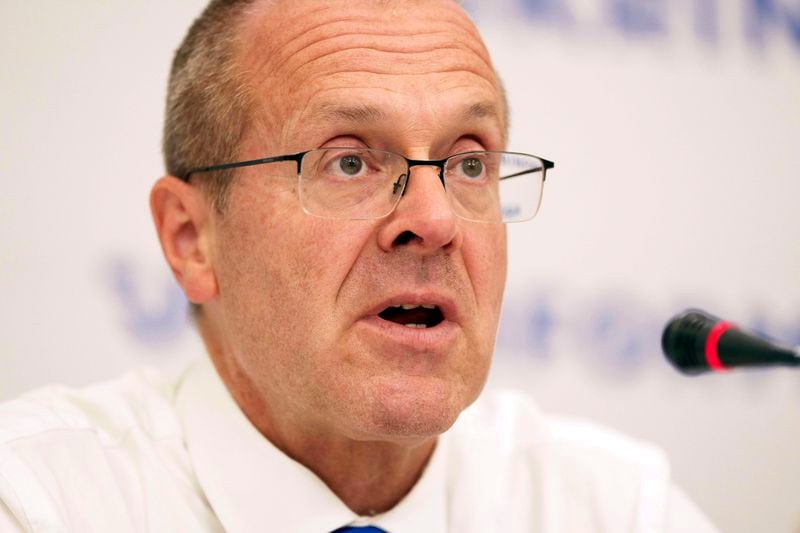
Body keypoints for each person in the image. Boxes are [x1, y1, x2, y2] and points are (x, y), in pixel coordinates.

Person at [0, 1, 718, 531]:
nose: (434, 220)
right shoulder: (39, 499)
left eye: (470, 161)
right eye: (349, 161)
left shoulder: (616, 509)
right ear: (192, 238)